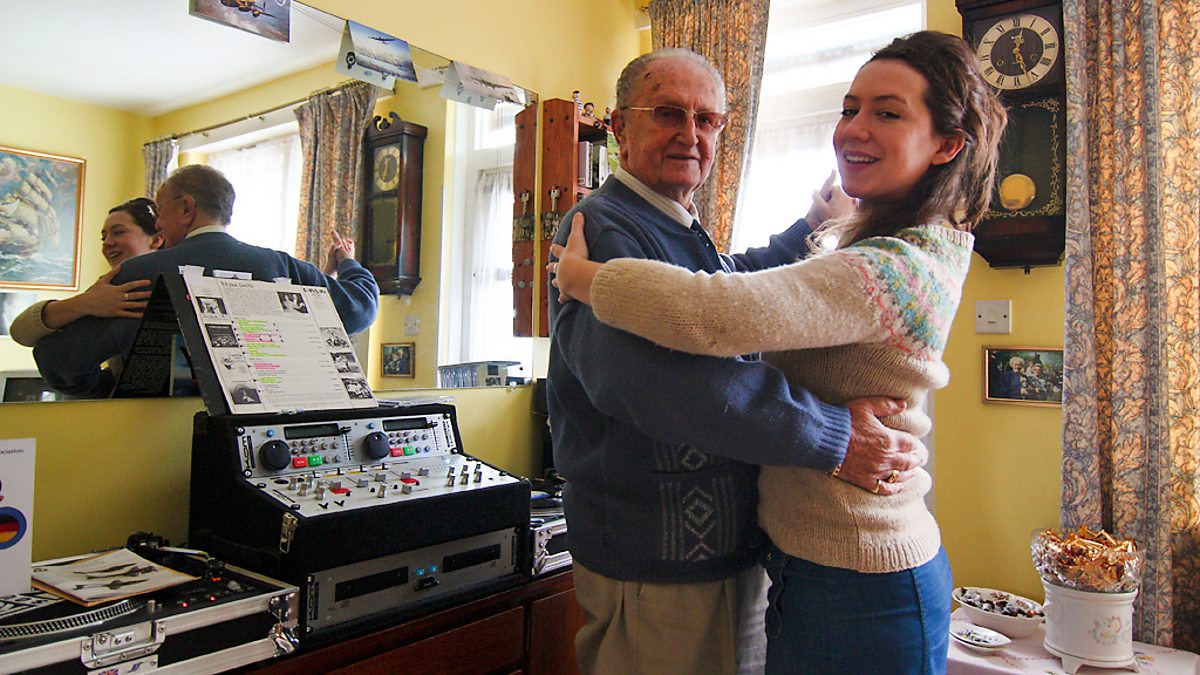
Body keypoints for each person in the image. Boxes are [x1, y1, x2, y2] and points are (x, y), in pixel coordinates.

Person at [551, 31, 1006, 674]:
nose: (690, 134)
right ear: (620, 130)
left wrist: (590, 282)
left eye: (707, 119)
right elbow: (665, 377)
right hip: (661, 563)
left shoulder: (888, 260)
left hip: (780, 560)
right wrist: (835, 437)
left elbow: (724, 294)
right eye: (668, 113)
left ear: (946, 145)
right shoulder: (601, 227)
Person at [34, 164, 379, 398]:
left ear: (187, 208)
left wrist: (110, 389)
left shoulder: (139, 274)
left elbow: (58, 361)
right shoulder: (282, 266)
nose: (158, 225)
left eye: (160, 212)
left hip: (147, 437)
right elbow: (360, 309)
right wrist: (347, 264)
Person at [8, 197, 163, 350]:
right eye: (103, 238)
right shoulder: (107, 290)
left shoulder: (169, 283)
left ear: (156, 240)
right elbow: (21, 332)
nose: (107, 243)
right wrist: (85, 302)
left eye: (118, 232)